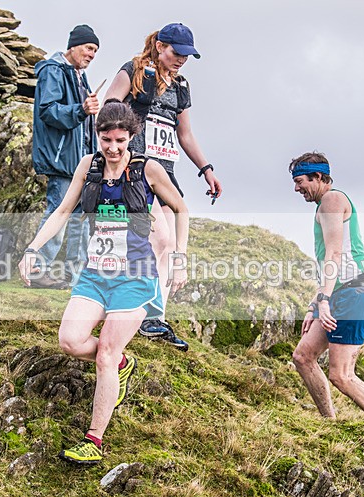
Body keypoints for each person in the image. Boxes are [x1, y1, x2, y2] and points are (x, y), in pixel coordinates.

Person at [18, 100, 189, 464]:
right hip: (95, 273)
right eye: (106, 140)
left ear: (131, 138)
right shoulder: (88, 166)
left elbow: (181, 208)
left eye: (120, 141)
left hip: (136, 277)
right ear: (97, 135)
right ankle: (123, 365)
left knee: (105, 354)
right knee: (69, 341)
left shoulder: (149, 170)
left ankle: (93, 441)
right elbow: (63, 210)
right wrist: (33, 248)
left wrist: (179, 258)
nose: (112, 149)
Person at [105, 22, 222, 351]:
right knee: (161, 237)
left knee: (169, 247)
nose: (182, 60)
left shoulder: (181, 87)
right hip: (136, 167)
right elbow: (108, 107)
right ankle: (140, 314)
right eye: (177, 53)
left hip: (166, 173)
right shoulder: (134, 71)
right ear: (160, 46)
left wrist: (206, 169)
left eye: (188, 55)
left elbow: (185, 135)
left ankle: (155, 318)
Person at [288, 152, 364, 421]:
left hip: (354, 292)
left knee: (342, 375)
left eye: (300, 181)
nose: (296, 188)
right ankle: (329, 423)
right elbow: (328, 264)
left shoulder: (332, 200)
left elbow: (334, 254)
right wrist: (314, 306)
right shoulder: (323, 204)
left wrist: (323, 301)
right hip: (342, 292)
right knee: (303, 356)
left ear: (319, 177)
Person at [30, 24, 101, 289]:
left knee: (80, 219)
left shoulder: (79, 76)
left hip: (81, 161)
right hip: (62, 160)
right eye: (89, 47)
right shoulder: (54, 71)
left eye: (95, 50)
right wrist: (81, 109)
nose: (92, 54)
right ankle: (36, 269)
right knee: (58, 213)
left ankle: (77, 275)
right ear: (73, 46)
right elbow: (48, 111)